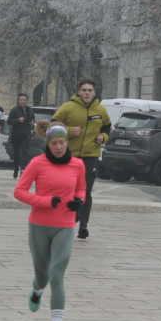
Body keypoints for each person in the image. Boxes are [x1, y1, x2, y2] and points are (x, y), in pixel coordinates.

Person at [14, 120, 86, 321]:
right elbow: (19, 192)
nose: (58, 147)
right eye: (54, 143)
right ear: (48, 143)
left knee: (57, 275)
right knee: (43, 276)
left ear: (67, 143)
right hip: (39, 226)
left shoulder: (78, 165)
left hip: (65, 226)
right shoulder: (37, 163)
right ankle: (36, 291)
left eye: (61, 143)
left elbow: (81, 189)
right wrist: (45, 201)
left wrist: (79, 201)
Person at [52, 77, 111, 240]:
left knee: (86, 192)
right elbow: (53, 126)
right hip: (70, 156)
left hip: (91, 156)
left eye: (90, 90)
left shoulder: (101, 110)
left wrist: (103, 137)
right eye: (84, 90)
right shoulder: (67, 108)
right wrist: (69, 131)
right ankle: (66, 220)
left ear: (94, 92)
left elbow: (107, 127)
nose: (87, 93)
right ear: (79, 91)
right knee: (68, 190)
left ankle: (83, 226)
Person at [7, 93, 35, 179]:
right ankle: (16, 168)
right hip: (16, 135)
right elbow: (9, 121)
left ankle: (23, 169)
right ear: (18, 101)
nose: (23, 101)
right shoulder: (14, 110)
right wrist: (18, 120)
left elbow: (33, 118)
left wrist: (32, 122)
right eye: (21, 100)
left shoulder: (29, 109)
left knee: (25, 152)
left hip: (26, 134)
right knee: (16, 153)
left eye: (24, 100)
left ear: (27, 101)